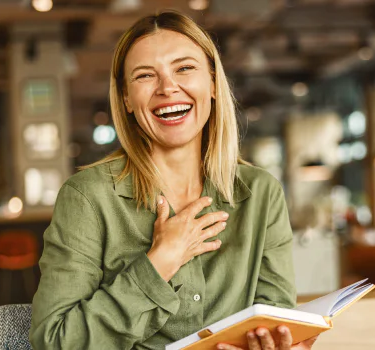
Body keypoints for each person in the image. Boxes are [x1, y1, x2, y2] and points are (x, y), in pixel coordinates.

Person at [29, 10, 316, 350]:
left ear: (211, 82)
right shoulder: (87, 198)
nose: (167, 88)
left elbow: (274, 318)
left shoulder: (260, 193)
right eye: (145, 76)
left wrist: (283, 342)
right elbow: (53, 343)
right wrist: (158, 264)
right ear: (126, 99)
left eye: (184, 68)